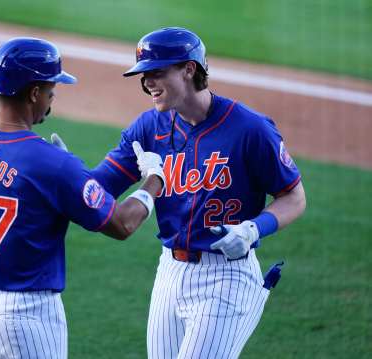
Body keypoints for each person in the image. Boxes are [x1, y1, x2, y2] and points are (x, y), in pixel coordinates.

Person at [0, 37, 165, 358]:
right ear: (34, 92)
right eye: (51, 90)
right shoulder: (53, 163)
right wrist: (154, 180)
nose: (51, 100)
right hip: (26, 316)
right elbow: (121, 224)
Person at [87, 27, 307, 358]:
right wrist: (63, 172)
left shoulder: (250, 129)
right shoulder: (148, 128)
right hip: (169, 272)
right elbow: (100, 186)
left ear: (189, 69)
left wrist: (252, 229)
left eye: (157, 72)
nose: (147, 83)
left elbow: (294, 197)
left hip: (227, 276)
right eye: (144, 75)